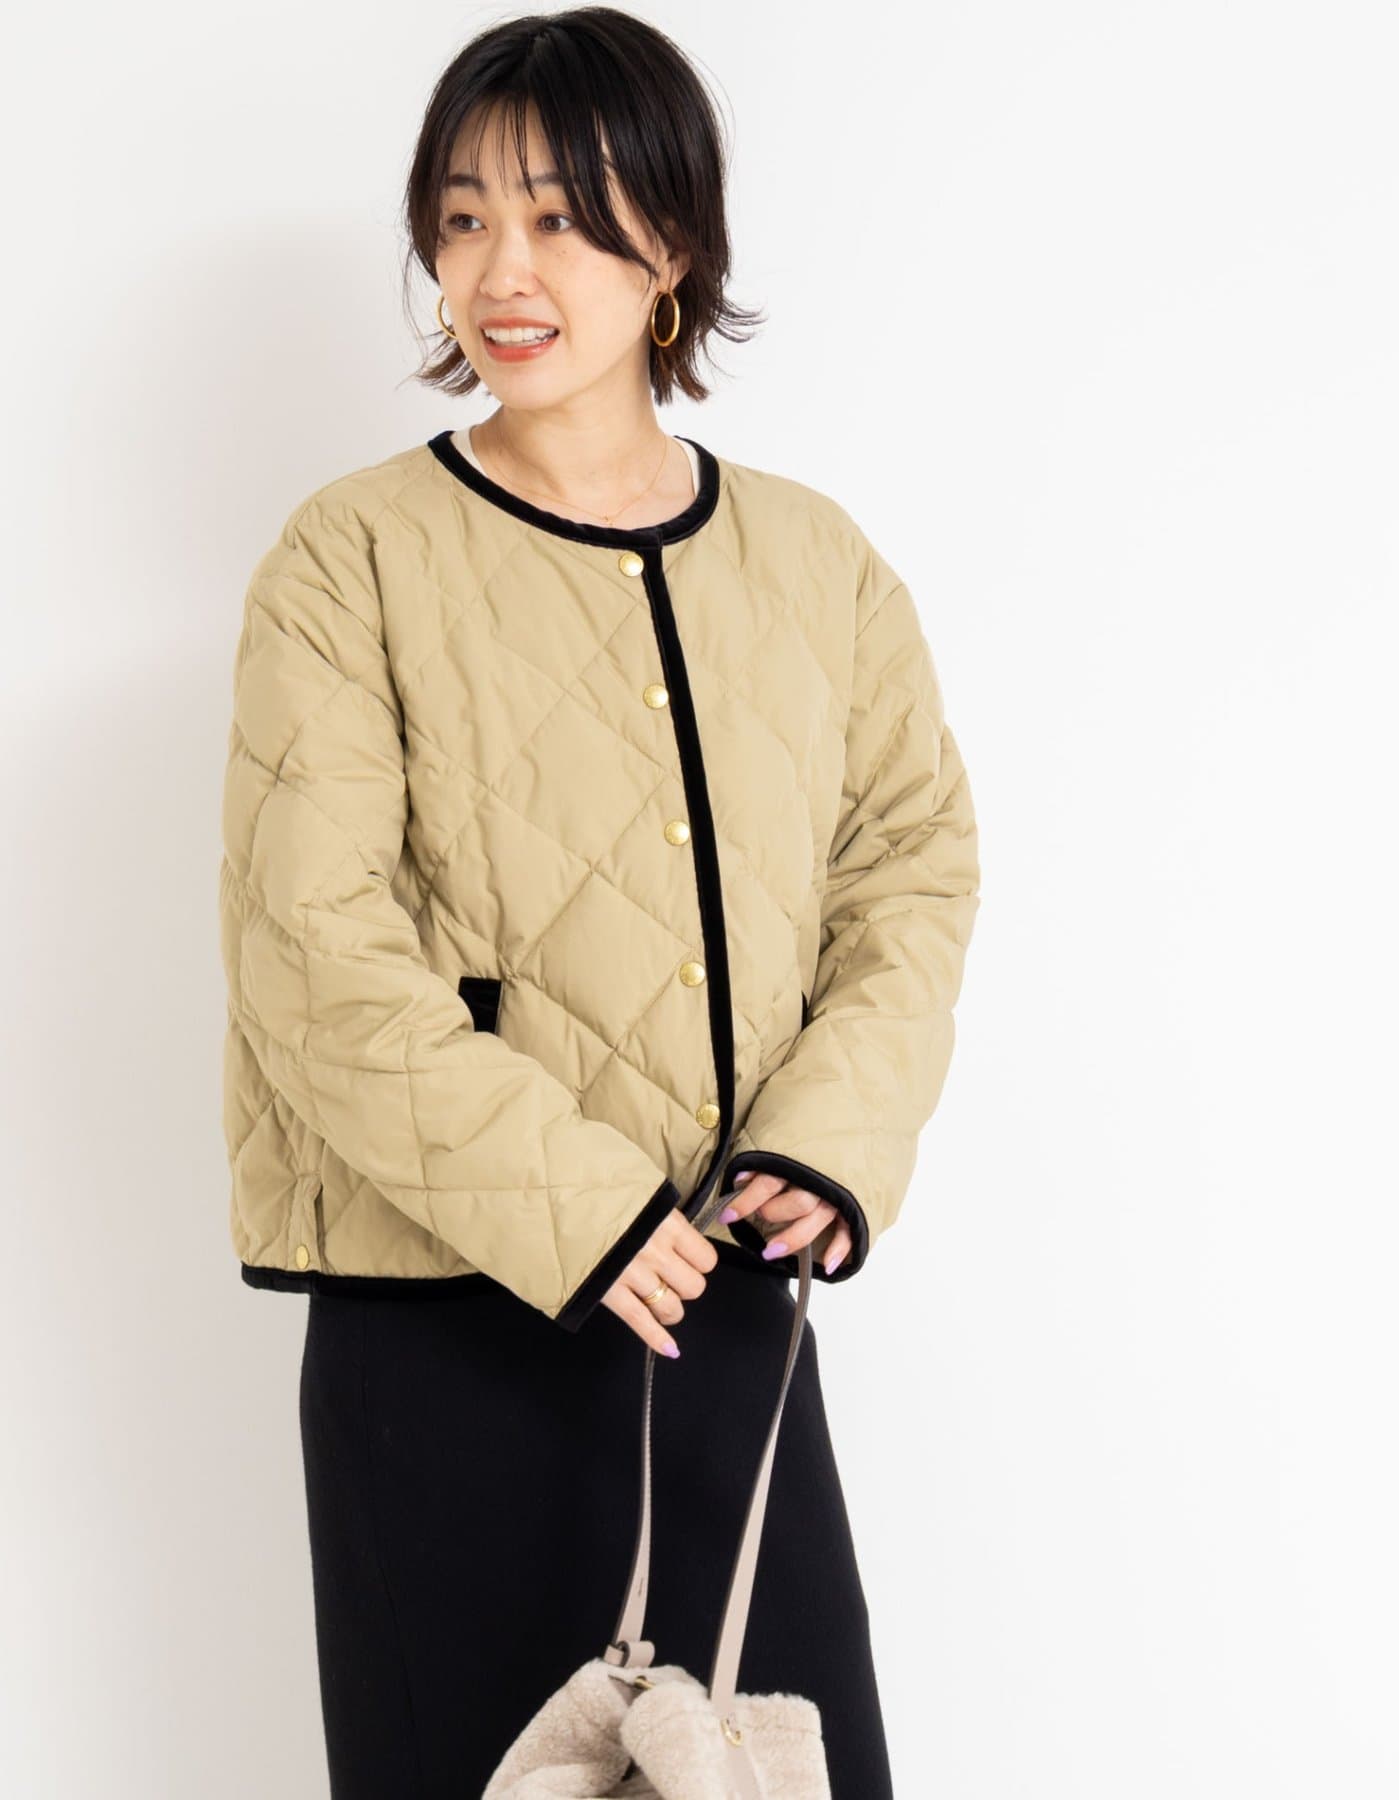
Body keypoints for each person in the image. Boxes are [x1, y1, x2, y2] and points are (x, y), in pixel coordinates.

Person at [217, 9, 981, 1796]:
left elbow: (911, 871)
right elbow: (311, 951)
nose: (503, 268)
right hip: (441, 1332)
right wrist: (581, 1210)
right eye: (464, 216)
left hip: (731, 1307)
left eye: (561, 216)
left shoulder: (817, 564)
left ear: (675, 244)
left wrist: (830, 1143)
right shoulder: (352, 557)